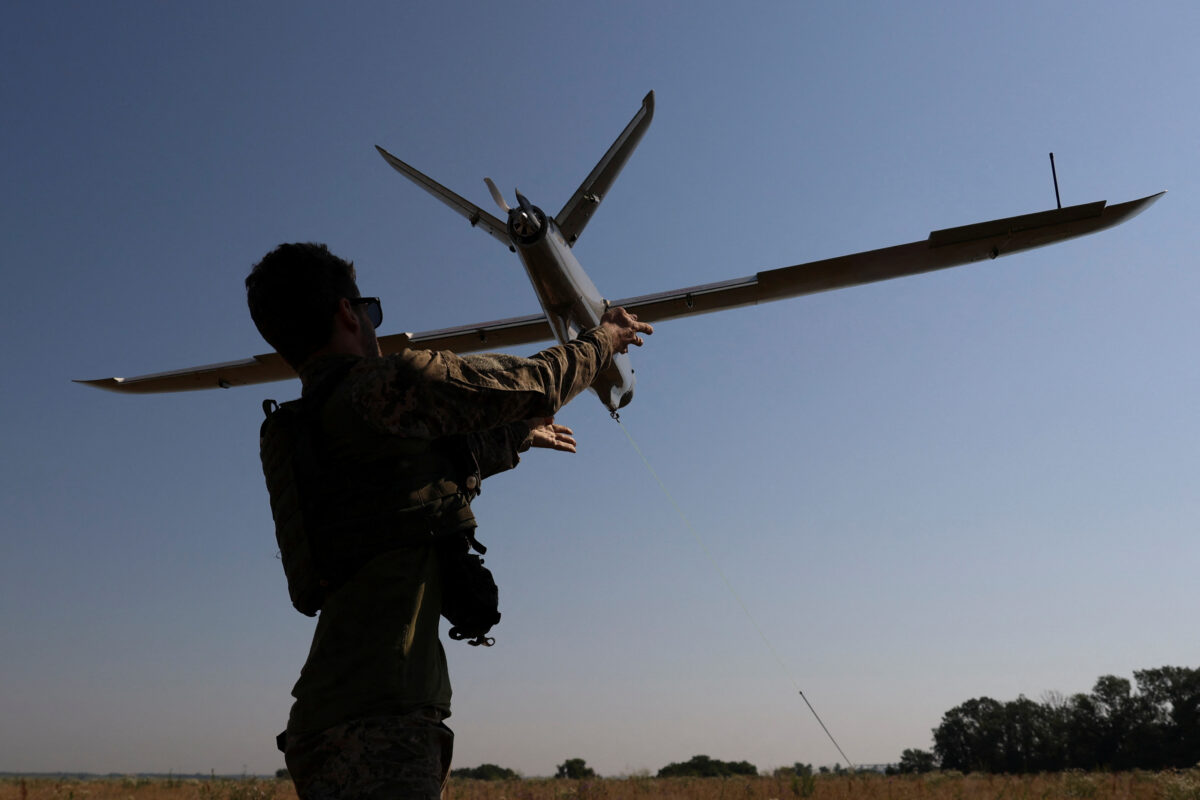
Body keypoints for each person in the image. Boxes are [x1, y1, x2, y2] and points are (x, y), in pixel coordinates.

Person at [245, 242, 652, 799]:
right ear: (348, 313)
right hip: (379, 727)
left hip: (332, 721)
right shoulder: (379, 388)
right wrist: (604, 338)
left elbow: (415, 481)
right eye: (371, 311)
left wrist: (516, 435)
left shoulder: (311, 430)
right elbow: (535, 383)